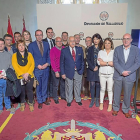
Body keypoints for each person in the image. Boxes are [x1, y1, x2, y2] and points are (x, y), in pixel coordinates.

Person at [112, 33, 140, 118]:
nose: (126, 40)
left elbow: (137, 63)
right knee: (116, 93)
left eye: (127, 39)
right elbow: (115, 62)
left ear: (131, 40)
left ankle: (125, 110)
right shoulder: (117, 49)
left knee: (127, 94)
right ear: (122, 40)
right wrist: (122, 71)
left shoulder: (136, 50)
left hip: (129, 76)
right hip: (118, 75)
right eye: (124, 38)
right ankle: (116, 109)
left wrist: (128, 71)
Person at [28, 29, 50, 109]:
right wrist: (37, 66)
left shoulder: (46, 44)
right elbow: (30, 58)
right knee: (38, 86)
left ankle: (44, 99)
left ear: (42, 35)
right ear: (35, 36)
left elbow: (48, 55)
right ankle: (40, 101)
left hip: (45, 68)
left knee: (45, 85)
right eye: (37, 35)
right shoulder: (31, 45)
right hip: (37, 69)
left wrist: (47, 64)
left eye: (40, 35)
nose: (39, 36)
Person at [60, 36, 84, 107]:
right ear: (68, 42)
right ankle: (69, 100)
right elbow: (62, 63)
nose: (73, 42)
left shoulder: (80, 49)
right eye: (71, 41)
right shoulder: (64, 50)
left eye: (74, 40)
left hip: (78, 71)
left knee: (78, 86)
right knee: (69, 87)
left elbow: (82, 61)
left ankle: (78, 99)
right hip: (68, 72)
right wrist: (63, 73)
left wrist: (82, 70)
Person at [12, 40, 35, 112]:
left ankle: (31, 103)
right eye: (19, 45)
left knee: (29, 90)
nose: (21, 47)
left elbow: (32, 65)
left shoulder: (29, 54)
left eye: (23, 45)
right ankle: (22, 104)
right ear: (17, 47)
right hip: (20, 76)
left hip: (29, 75)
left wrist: (27, 73)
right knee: (22, 91)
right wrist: (22, 74)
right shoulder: (14, 55)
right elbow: (15, 66)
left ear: (25, 46)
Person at [97, 38, 114, 112]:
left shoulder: (114, 52)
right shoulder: (100, 52)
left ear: (111, 44)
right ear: (104, 44)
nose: (107, 44)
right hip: (102, 73)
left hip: (111, 74)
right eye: (106, 43)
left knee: (110, 89)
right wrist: (108, 63)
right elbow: (99, 63)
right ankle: (101, 103)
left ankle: (110, 104)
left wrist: (104, 62)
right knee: (102, 89)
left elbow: (114, 63)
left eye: (109, 43)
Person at [87, 33, 103, 108]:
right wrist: (93, 67)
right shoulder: (90, 48)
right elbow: (88, 59)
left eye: (97, 39)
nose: (95, 40)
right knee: (92, 85)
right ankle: (92, 99)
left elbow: (103, 59)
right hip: (91, 69)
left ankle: (97, 99)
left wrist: (97, 66)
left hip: (99, 69)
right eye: (94, 39)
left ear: (99, 40)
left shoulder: (102, 48)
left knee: (98, 84)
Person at [50, 37, 66, 104]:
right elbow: (52, 61)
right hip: (55, 70)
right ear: (55, 42)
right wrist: (56, 71)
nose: (59, 42)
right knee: (55, 85)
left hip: (62, 70)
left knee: (63, 84)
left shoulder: (64, 49)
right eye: (58, 41)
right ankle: (55, 98)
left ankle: (63, 96)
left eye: (60, 41)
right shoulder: (52, 50)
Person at [0, 38, 12, 114]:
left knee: (7, 94)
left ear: (4, 45)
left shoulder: (8, 55)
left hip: (6, 78)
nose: (0, 45)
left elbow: (11, 66)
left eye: (2, 44)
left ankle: (8, 107)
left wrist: (7, 75)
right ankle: (0, 108)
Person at [43, 27, 55, 100]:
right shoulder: (43, 41)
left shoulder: (55, 41)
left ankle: (51, 94)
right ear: (46, 33)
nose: (50, 34)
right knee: (46, 81)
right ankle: (47, 95)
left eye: (51, 32)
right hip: (46, 64)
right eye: (48, 32)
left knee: (53, 81)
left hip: (54, 65)